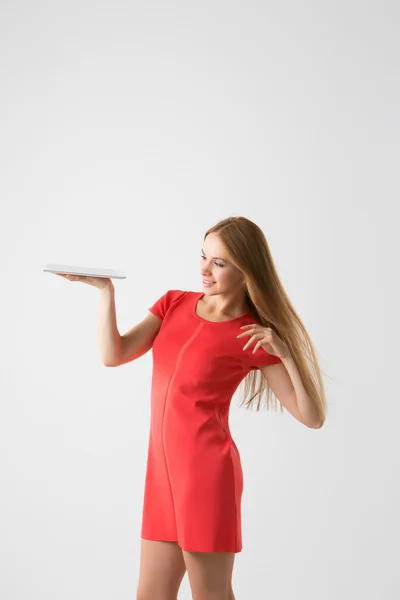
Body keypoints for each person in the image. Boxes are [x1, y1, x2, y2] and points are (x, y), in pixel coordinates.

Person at [56, 216, 327, 600]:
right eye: (203, 256)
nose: (204, 269)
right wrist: (105, 292)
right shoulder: (173, 304)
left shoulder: (252, 335)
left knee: (211, 595)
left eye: (219, 262)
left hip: (207, 478)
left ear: (247, 270)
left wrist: (284, 353)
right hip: (162, 476)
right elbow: (113, 354)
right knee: (150, 594)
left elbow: (312, 418)